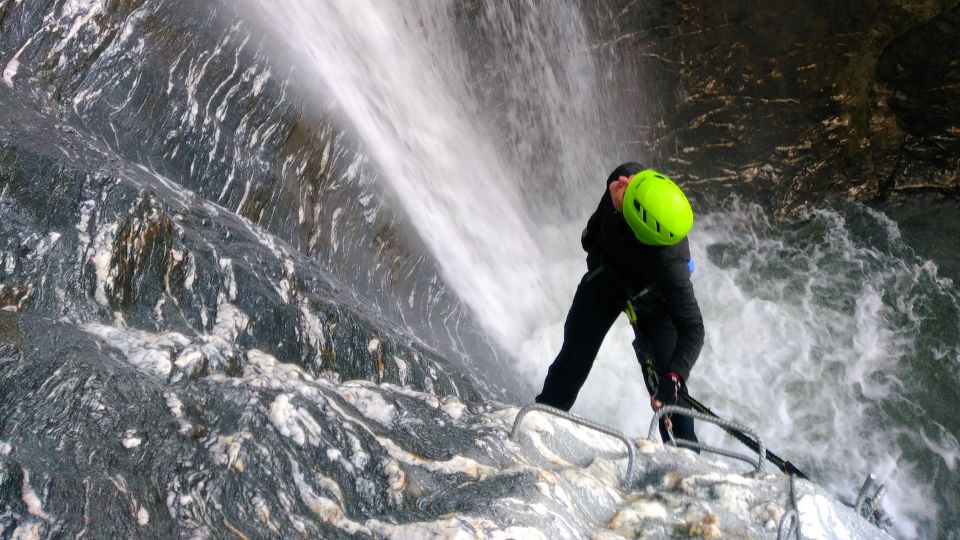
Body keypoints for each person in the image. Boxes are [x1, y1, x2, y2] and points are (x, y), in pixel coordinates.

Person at [535, 162, 705, 446]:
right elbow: (590, 239)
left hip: (653, 303)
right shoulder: (621, 180)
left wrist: (674, 375)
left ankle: (684, 458)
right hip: (607, 282)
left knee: (669, 391)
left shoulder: (669, 265)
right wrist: (615, 211)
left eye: (628, 191)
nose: (624, 184)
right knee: (573, 359)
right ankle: (542, 421)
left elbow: (693, 328)